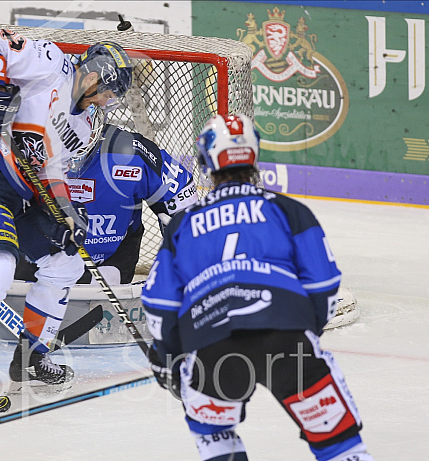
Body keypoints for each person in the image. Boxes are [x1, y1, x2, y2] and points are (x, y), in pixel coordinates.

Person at [142, 114, 374, 461]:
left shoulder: (183, 224)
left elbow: (159, 304)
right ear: (253, 155)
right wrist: (302, 330)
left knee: (214, 434)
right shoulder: (288, 210)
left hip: (211, 345)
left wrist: (169, 357)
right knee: (339, 442)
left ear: (206, 162)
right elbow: (324, 284)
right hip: (286, 336)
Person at [0, 28, 133, 422]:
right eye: (109, 92)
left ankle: (32, 357)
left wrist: (66, 211)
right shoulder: (50, 63)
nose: (108, 101)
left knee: (67, 262)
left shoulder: (81, 129)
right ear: (95, 75)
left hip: (20, 189)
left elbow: (51, 170)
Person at [15, 123, 198, 286]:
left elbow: (183, 201)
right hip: (33, 260)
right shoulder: (20, 147)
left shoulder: (130, 152)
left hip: (111, 264)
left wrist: (183, 267)